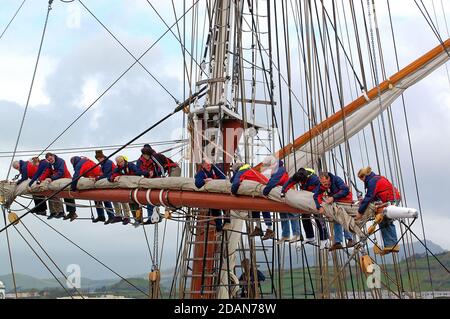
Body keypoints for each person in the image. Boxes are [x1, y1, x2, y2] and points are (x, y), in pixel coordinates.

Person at [357, 167, 400, 254]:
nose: (361, 181)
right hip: (392, 198)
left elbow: (369, 196)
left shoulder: (372, 181)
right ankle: (390, 244)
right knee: (383, 220)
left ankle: (392, 244)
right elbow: (375, 195)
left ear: (364, 176)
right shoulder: (377, 178)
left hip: (391, 200)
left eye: (361, 178)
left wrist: (360, 212)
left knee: (385, 220)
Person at [282, 168, 327, 246]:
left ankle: (324, 239)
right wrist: (283, 192)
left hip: (316, 197)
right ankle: (310, 237)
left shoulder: (314, 179)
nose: (299, 183)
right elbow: (289, 183)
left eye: (300, 181)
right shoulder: (297, 176)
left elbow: (320, 189)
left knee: (318, 217)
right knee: (305, 216)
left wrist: (313, 197)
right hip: (305, 198)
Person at [231, 163, 274, 240]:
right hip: (263, 187)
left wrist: (233, 192)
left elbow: (235, 183)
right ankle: (258, 228)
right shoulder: (248, 170)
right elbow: (234, 179)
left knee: (264, 207)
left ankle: (270, 230)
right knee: (255, 207)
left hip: (264, 189)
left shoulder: (241, 172)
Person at [261, 157, 299, 244]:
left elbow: (273, 182)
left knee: (292, 213)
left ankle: (296, 234)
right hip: (280, 194)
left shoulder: (280, 171)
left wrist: (265, 192)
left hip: (288, 193)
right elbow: (271, 181)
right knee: (283, 215)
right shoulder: (277, 172)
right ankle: (285, 235)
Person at [314, 172, 355, 251]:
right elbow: (316, 196)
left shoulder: (336, 179)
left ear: (328, 178)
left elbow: (345, 190)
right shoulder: (322, 184)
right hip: (336, 201)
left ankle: (350, 239)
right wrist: (319, 207)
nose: (324, 184)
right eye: (322, 183)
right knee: (336, 219)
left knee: (344, 218)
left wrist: (333, 197)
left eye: (325, 182)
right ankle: (338, 242)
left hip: (345, 200)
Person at [109, 155, 149, 225]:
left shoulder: (130, 165)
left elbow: (138, 172)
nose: (120, 163)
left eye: (121, 161)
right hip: (127, 189)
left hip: (134, 186)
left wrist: (147, 173)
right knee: (131, 204)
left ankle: (139, 219)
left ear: (124, 160)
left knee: (136, 204)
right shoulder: (118, 168)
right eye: (118, 162)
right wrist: (114, 178)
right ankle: (136, 219)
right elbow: (110, 176)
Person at [194, 158, 229, 232]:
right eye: (207, 165)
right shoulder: (201, 173)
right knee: (215, 211)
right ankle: (219, 228)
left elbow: (223, 177)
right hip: (211, 196)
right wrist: (205, 180)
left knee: (225, 207)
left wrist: (214, 178)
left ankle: (227, 222)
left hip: (220, 193)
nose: (209, 166)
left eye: (210, 164)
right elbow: (198, 183)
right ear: (203, 165)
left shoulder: (215, 169)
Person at [45, 153, 78, 221]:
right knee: (61, 195)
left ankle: (72, 213)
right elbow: (49, 172)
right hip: (58, 180)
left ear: (53, 156)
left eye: (51, 159)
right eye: (49, 160)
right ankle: (65, 212)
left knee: (67, 195)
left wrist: (52, 178)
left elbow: (61, 172)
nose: (50, 161)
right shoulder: (50, 164)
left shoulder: (60, 161)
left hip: (65, 178)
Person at [94, 150, 124, 224]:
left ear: (103, 157)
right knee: (98, 197)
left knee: (106, 198)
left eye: (99, 158)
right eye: (97, 159)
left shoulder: (108, 163)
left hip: (112, 180)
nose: (99, 160)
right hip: (107, 180)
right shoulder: (103, 164)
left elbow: (106, 174)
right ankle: (102, 215)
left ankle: (111, 216)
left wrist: (97, 178)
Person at [137, 146, 160, 226]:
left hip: (155, 179)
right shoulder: (139, 161)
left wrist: (154, 173)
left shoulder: (154, 159)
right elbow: (138, 171)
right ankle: (152, 217)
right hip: (146, 180)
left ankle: (155, 217)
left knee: (154, 198)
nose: (147, 157)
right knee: (149, 198)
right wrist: (147, 173)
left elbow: (159, 168)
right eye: (145, 155)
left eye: (148, 155)